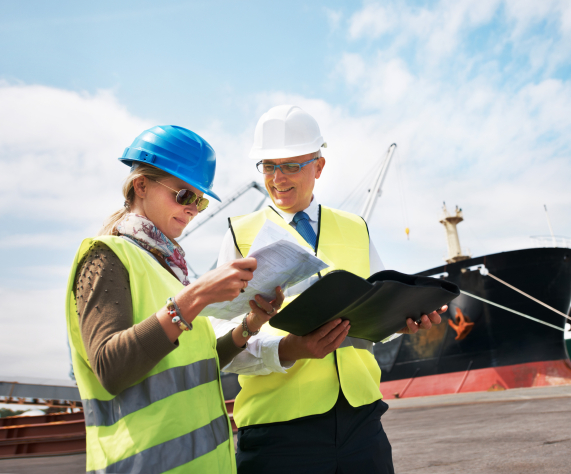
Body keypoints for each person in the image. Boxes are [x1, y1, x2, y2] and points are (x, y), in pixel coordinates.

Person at [216, 105, 446, 473]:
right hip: (279, 429)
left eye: (290, 165)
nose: (277, 178)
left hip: (362, 422)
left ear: (318, 166)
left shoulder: (356, 228)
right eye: (268, 166)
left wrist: (400, 322)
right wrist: (288, 349)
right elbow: (221, 345)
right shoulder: (239, 234)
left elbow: (377, 309)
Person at [65, 125, 284, 474]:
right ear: (141, 185)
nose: (192, 209)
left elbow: (197, 363)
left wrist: (249, 325)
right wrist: (193, 298)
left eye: (199, 201)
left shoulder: (169, 269)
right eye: (184, 196)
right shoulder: (104, 258)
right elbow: (110, 367)